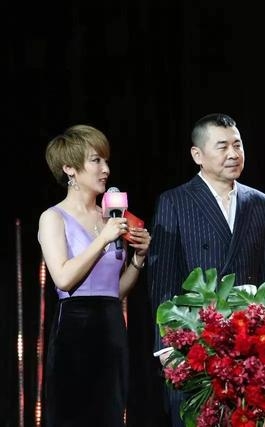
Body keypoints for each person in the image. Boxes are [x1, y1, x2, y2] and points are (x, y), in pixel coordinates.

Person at [147, 113, 265, 426]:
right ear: (198, 155)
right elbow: (162, 281)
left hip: (250, 348)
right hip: (195, 344)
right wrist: (166, 347)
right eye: (222, 146)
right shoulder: (175, 201)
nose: (233, 154)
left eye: (237, 145)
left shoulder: (259, 202)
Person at [38, 124, 151, 427]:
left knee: (110, 414)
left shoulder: (110, 217)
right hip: (75, 328)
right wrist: (102, 240)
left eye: (106, 161)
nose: (105, 170)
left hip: (111, 327)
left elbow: (116, 290)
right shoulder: (53, 217)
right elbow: (63, 279)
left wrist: (139, 258)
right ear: (69, 168)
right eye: (96, 161)